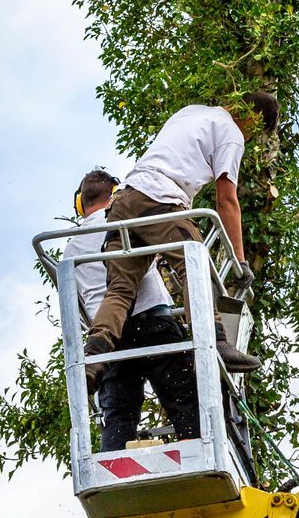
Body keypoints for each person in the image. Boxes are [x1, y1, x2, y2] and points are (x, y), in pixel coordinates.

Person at [84, 92, 277, 376]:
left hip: (124, 201)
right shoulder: (232, 132)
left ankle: (95, 358)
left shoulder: (191, 111)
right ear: (253, 118)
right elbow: (226, 199)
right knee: (195, 266)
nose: (248, 139)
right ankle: (217, 341)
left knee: (121, 289)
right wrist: (240, 260)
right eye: (254, 132)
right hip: (160, 199)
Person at [72, 169, 202, 450]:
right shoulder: (129, 219)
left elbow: (78, 307)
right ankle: (196, 456)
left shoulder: (71, 248)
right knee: (184, 399)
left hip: (109, 341)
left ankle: (115, 466)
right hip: (153, 321)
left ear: (81, 203)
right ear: (116, 193)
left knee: (118, 414)